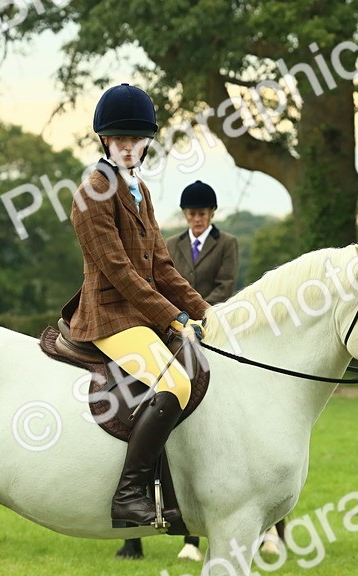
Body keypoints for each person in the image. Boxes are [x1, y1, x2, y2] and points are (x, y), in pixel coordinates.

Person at [61, 83, 210, 534]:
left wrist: (207, 311)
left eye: (136, 139)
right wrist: (173, 317)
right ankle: (129, 494)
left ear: (147, 142)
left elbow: (161, 265)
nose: (128, 146)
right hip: (108, 315)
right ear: (105, 140)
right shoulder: (92, 190)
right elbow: (120, 272)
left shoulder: (137, 186)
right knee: (174, 383)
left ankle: (176, 490)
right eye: (119, 138)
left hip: (138, 314)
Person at [119, 180, 242, 561]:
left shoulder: (228, 244)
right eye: (192, 213)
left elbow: (226, 286)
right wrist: (176, 318)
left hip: (208, 323)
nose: (197, 218)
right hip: (170, 324)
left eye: (202, 213)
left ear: (211, 214)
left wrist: (198, 315)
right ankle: (132, 525)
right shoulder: (170, 243)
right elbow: (159, 282)